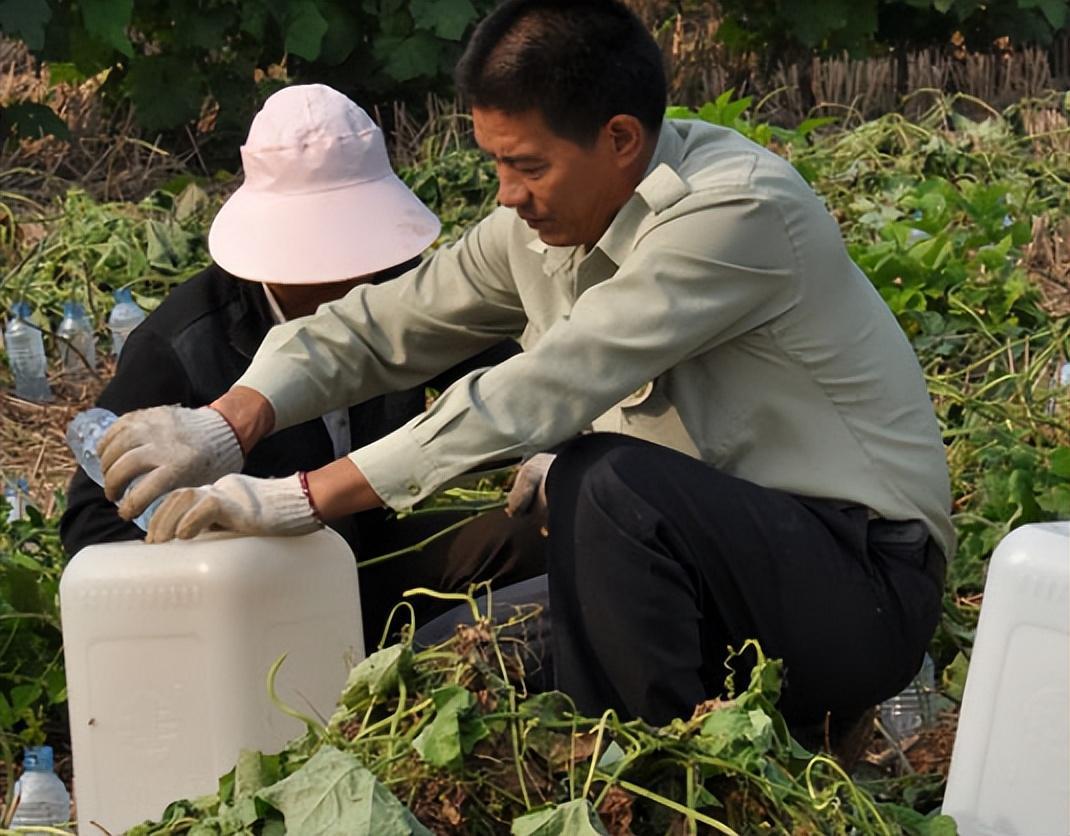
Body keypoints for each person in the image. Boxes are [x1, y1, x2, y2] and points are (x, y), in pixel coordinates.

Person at [96, 0, 952, 741]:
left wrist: (303, 495)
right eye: (496, 164)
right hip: (704, 574)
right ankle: (614, 766)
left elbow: (548, 383)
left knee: (604, 481)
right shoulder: (539, 227)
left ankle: (684, 777)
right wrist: (228, 421)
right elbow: (389, 320)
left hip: (855, 586)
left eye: (528, 166)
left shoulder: (735, 213)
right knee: (426, 681)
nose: (506, 195)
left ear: (621, 140)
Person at [62, 84, 546, 649]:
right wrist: (229, 520)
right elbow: (90, 528)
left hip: (362, 553)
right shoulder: (182, 345)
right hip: (258, 606)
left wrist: (545, 444)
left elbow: (495, 376)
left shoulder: (393, 285)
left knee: (531, 535)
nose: (352, 278)